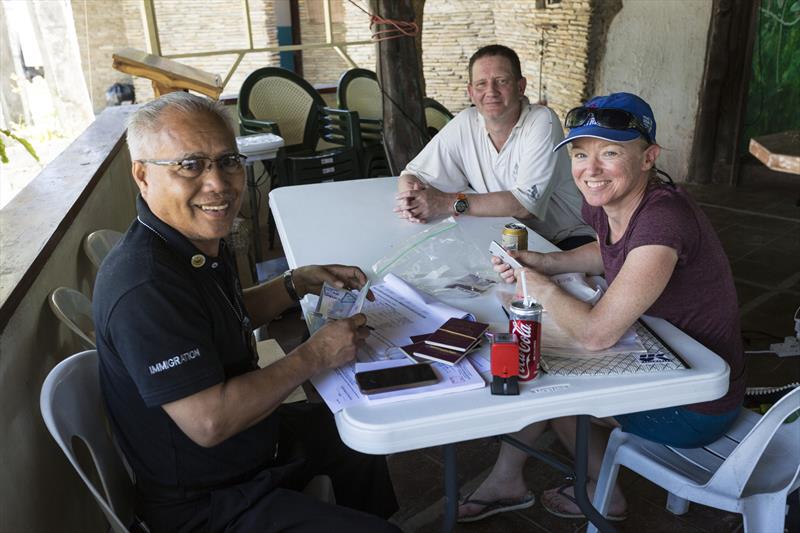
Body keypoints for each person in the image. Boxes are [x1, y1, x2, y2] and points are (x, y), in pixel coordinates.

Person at [93, 92, 400, 533]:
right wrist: (314, 355)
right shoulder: (146, 287)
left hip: (252, 449)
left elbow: (216, 320)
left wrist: (294, 284)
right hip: (207, 501)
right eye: (190, 165)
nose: (218, 183)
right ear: (142, 175)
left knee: (354, 433)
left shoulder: (188, 244)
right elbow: (210, 421)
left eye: (228, 161)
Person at [458, 92, 745, 523]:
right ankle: (507, 479)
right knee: (541, 360)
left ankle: (601, 494)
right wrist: (545, 262)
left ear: (649, 157)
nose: (590, 170)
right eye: (579, 154)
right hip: (666, 356)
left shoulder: (663, 218)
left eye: (610, 153)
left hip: (697, 402)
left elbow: (597, 334)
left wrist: (538, 286)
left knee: (552, 390)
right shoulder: (607, 202)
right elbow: (609, 251)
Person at [394, 44, 594, 250]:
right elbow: (413, 173)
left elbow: (524, 205)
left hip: (564, 240)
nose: (491, 91)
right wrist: (413, 200)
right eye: (481, 84)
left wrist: (444, 202)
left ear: (521, 87)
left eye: (501, 81)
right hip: (504, 236)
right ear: (471, 92)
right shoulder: (466, 122)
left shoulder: (542, 120)